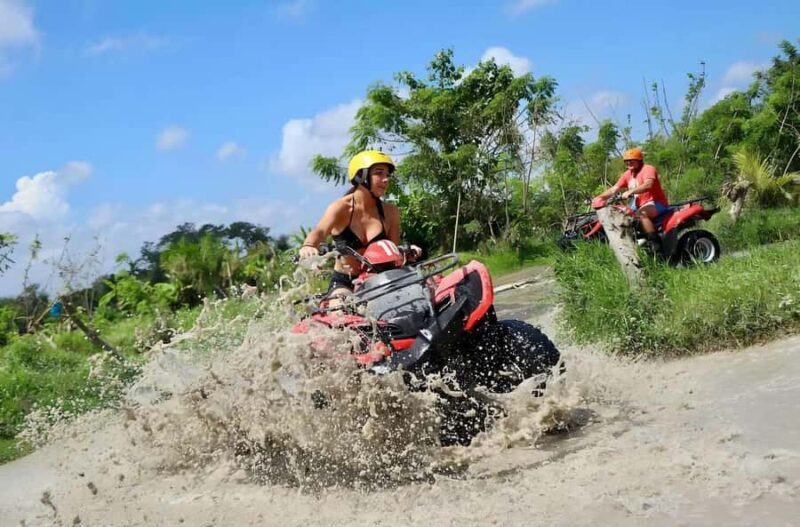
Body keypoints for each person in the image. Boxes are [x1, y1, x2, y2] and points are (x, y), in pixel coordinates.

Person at [299, 150, 419, 299]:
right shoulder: (340, 208)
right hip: (345, 283)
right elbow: (319, 231)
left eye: (387, 175)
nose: (386, 179)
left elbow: (393, 253)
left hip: (380, 279)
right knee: (342, 308)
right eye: (379, 173)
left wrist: (407, 252)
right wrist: (309, 245)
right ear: (361, 176)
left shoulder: (391, 212)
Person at [593, 147, 669, 250]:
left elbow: (648, 184)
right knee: (620, 214)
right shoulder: (627, 174)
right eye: (626, 161)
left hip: (656, 202)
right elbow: (614, 189)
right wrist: (599, 198)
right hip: (639, 204)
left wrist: (631, 191)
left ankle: (654, 242)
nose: (628, 163)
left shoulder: (648, 169)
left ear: (639, 160)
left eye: (631, 161)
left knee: (641, 214)